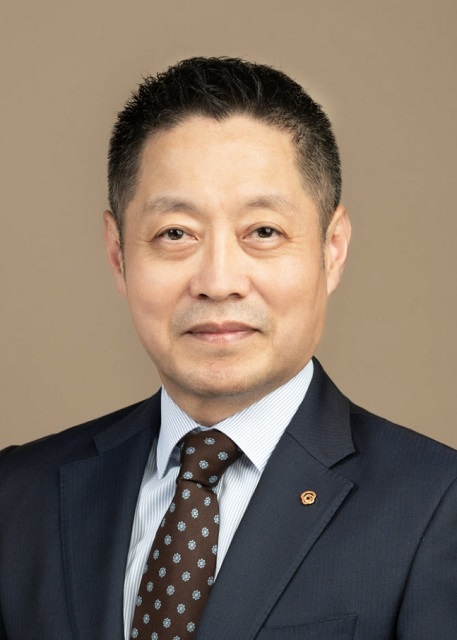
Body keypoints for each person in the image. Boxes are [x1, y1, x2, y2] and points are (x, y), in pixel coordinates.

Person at [0, 57, 456, 640]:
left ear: (333, 248)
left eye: (263, 232)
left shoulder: (437, 505)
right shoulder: (19, 495)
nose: (218, 281)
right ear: (118, 254)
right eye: (175, 234)